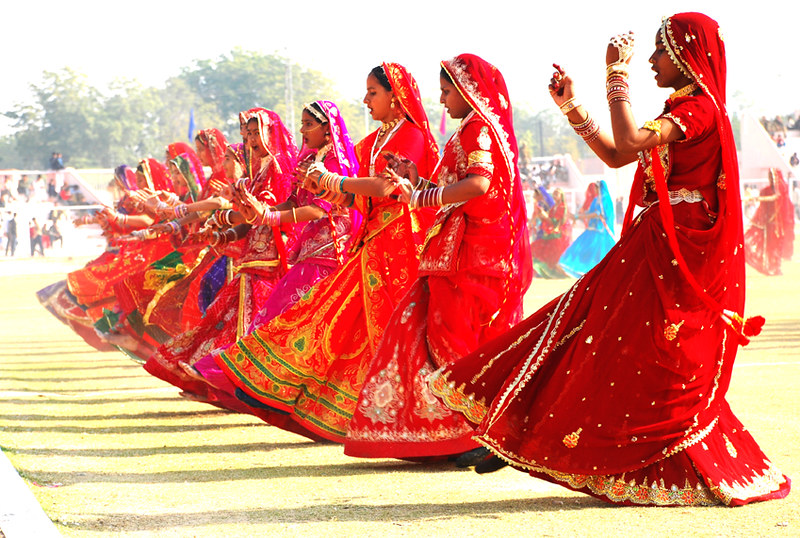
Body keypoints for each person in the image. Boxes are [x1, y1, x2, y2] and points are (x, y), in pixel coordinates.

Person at [430, 12, 790, 506]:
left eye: (661, 50)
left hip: (676, 252)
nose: (651, 60)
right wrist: (571, 106)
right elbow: (620, 156)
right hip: (655, 243)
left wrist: (616, 74)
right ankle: (520, 430)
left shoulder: (700, 109)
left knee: (627, 347)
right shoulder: (680, 108)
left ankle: (546, 437)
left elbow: (629, 143)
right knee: (582, 326)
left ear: (686, 54)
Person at [208, 63, 439, 442]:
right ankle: (290, 389)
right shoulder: (373, 141)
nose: (365, 100)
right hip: (369, 242)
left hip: (396, 243)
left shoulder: (410, 135)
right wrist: (320, 191)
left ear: (395, 96)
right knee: (337, 322)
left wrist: (332, 181)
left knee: (384, 327)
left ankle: (411, 415)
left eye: (373, 93)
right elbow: (349, 198)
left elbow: (385, 187)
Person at [344, 53, 533, 459]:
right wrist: (419, 183)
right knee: (442, 336)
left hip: (474, 251)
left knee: (455, 340)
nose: (442, 100)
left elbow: (479, 185)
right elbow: (461, 186)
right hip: (456, 250)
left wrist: (421, 196)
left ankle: (480, 435)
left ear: (468, 90)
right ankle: (456, 433)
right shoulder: (471, 129)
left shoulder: (478, 129)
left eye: (448, 91)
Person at [558, 180, 616, 277]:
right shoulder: (596, 200)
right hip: (592, 229)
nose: (595, 190)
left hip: (601, 231)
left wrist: (578, 216)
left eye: (596, 188)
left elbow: (598, 214)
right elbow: (590, 212)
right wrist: (576, 216)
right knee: (582, 248)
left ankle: (599, 274)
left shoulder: (605, 200)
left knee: (599, 255)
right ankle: (588, 272)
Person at [743, 168, 795, 275]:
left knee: (777, 245)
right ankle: (770, 267)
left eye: (772, 177)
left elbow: (775, 198)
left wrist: (758, 198)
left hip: (779, 225)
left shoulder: (781, 190)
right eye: (770, 177)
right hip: (769, 223)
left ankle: (776, 268)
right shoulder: (766, 191)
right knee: (769, 246)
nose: (771, 179)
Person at [531, 187, 572, 278]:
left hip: (557, 236)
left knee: (551, 258)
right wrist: (542, 216)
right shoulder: (554, 207)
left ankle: (560, 275)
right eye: (554, 193)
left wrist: (545, 216)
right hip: (550, 234)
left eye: (557, 194)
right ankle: (547, 273)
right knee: (537, 251)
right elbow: (548, 220)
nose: (554, 195)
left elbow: (555, 222)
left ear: (561, 196)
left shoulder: (562, 207)